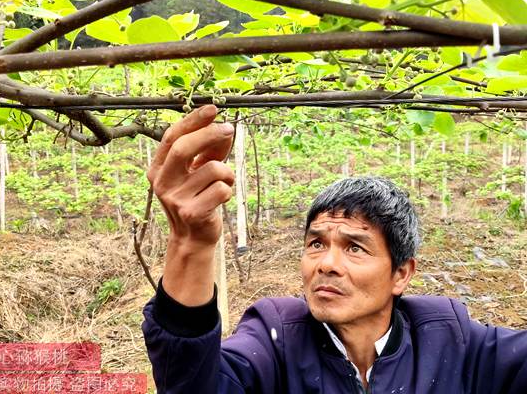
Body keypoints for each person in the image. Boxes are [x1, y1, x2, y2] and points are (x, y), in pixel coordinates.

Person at [141, 105, 527, 394]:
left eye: (355, 247)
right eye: (316, 243)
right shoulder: (275, 338)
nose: (327, 264)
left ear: (401, 274)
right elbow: (195, 384)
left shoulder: (453, 341)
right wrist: (190, 244)